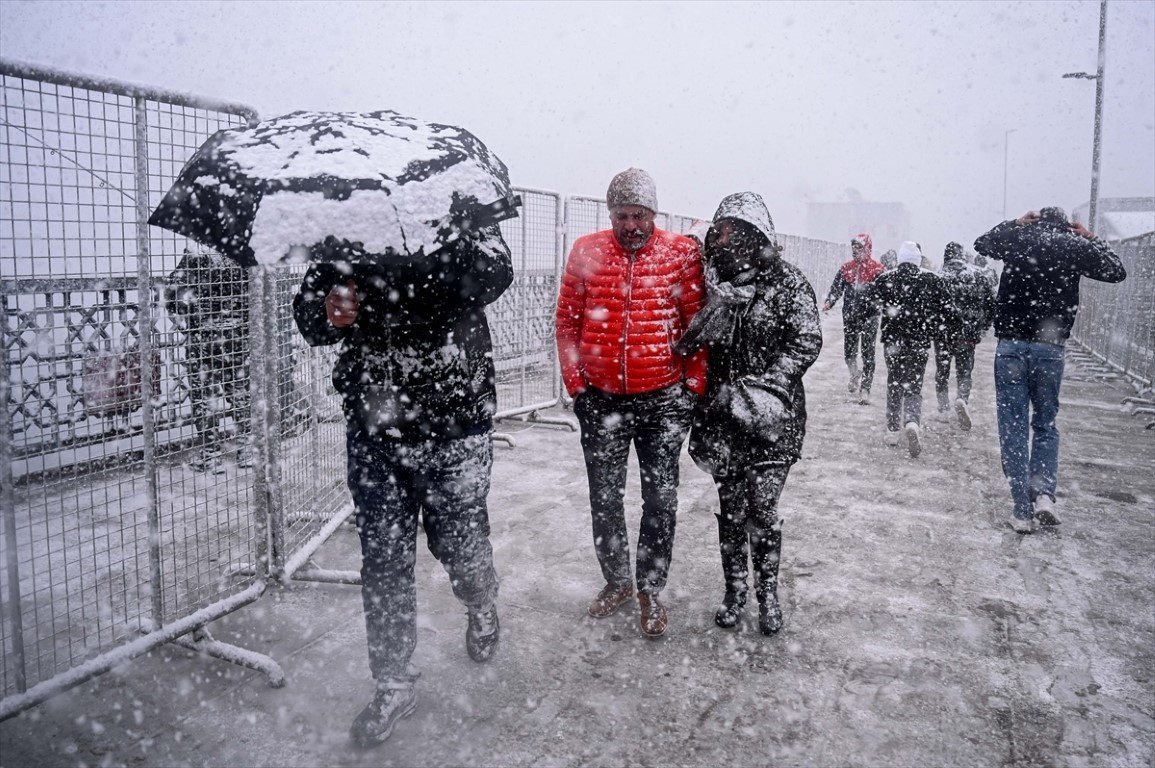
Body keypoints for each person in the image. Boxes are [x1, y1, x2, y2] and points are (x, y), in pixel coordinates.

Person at [293, 224, 513, 746]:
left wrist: (405, 278)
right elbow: (309, 310)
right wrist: (328, 311)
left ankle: (481, 603)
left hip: (456, 421)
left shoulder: (460, 213)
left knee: (460, 545)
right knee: (384, 559)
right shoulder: (347, 225)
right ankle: (392, 681)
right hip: (376, 426)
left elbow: (494, 273)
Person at [555, 167, 706, 638]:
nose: (631, 226)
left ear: (653, 213)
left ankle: (651, 588)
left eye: (639, 215)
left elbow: (697, 326)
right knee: (605, 497)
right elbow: (567, 323)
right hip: (601, 402)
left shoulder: (681, 253)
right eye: (622, 216)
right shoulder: (586, 251)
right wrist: (576, 386)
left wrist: (692, 388)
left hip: (663, 399)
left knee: (660, 498)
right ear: (610, 214)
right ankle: (618, 580)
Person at [675, 192, 821, 636]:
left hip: (773, 419)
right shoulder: (710, 283)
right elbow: (685, 342)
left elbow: (806, 339)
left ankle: (767, 594)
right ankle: (735, 591)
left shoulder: (788, 283)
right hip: (722, 417)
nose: (717, 240)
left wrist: (770, 384)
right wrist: (713, 309)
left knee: (762, 507)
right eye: (715, 232)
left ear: (749, 233)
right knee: (730, 509)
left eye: (724, 231)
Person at [974, 207, 1126, 533]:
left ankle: (1020, 511)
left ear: (1036, 220)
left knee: (1013, 426)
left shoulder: (1018, 239)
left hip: (1011, 346)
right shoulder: (1074, 246)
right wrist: (1091, 237)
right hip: (1050, 347)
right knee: (1045, 423)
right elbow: (1117, 271)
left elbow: (982, 244)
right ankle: (1043, 494)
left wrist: (1014, 224)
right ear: (1067, 226)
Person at [165, 248, 251, 474]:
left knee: (204, 395)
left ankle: (211, 454)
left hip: (203, 337)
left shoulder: (196, 254)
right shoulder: (241, 254)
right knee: (239, 391)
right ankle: (247, 449)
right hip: (236, 336)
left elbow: (172, 294)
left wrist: (189, 312)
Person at [863, 241, 951, 458]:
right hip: (920, 342)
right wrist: (940, 329)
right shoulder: (932, 280)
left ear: (900, 259)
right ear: (918, 260)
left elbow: (867, 306)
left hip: (893, 342)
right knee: (914, 384)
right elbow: (948, 311)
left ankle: (892, 429)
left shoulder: (885, 278)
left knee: (894, 382)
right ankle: (911, 420)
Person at [933, 241, 996, 429]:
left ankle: (943, 409)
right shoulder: (978, 276)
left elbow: (930, 306)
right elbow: (991, 304)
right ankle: (962, 400)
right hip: (967, 333)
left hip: (943, 334)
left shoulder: (939, 277)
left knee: (942, 371)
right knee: (965, 372)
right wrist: (983, 325)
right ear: (962, 255)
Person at [821, 233, 884, 404]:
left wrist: (883, 309)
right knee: (849, 352)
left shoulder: (877, 270)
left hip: (870, 317)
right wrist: (829, 302)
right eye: (854, 247)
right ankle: (854, 373)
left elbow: (885, 294)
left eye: (859, 247)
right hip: (850, 317)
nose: (855, 251)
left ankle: (865, 388)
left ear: (867, 248)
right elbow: (836, 289)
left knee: (868, 353)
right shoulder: (846, 268)